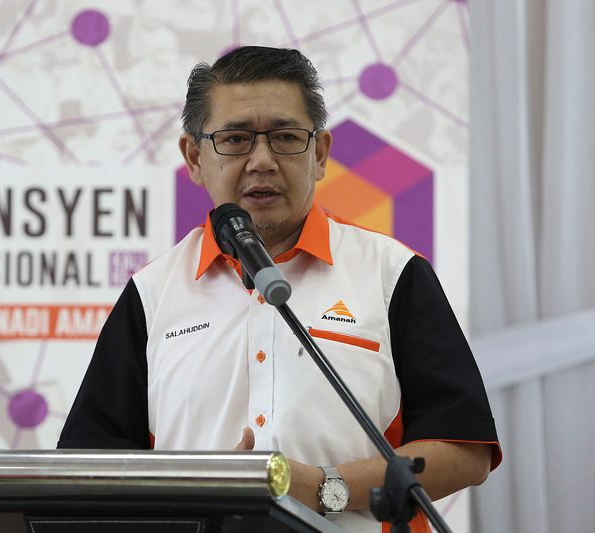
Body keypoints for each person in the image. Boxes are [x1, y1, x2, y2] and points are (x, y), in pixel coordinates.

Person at [58, 46, 501, 532]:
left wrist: (322, 486)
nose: (263, 161)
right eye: (235, 139)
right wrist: (197, 494)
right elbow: (87, 473)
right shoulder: (152, 293)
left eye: (286, 137)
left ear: (320, 154)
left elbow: (464, 449)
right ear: (195, 158)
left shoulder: (391, 273)